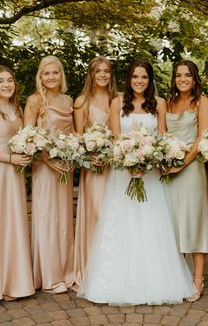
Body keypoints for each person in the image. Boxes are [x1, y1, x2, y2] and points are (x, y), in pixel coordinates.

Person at [77, 59, 195, 304]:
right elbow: (116, 137)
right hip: (123, 173)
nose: (139, 81)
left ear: (150, 80)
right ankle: (116, 281)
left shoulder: (159, 103)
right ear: (129, 80)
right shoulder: (117, 102)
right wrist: (128, 161)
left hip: (150, 175)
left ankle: (156, 281)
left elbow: (162, 134)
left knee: (153, 224)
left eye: (144, 77)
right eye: (135, 77)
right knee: (123, 223)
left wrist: (153, 157)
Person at [163, 60, 208, 302]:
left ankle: (197, 280)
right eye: (178, 75)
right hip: (169, 172)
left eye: (187, 75)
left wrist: (182, 163)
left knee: (194, 221)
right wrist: (166, 161)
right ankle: (178, 277)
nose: (182, 79)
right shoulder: (169, 103)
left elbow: (202, 136)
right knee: (173, 223)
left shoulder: (202, 102)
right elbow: (162, 136)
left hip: (192, 170)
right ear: (174, 79)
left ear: (194, 79)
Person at [24, 55, 75, 293]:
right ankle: (48, 276)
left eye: (55, 73)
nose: (51, 77)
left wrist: (71, 156)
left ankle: (66, 272)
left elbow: (73, 133)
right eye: (47, 73)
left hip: (64, 167)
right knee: (47, 217)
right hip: (45, 168)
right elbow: (28, 139)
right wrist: (47, 159)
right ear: (40, 76)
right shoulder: (35, 101)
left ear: (61, 75)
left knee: (64, 219)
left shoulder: (68, 100)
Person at [73, 56, 118, 288]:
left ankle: (113, 271)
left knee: (114, 217)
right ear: (91, 74)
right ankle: (93, 272)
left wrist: (110, 154)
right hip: (93, 169)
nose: (102, 75)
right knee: (97, 215)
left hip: (114, 168)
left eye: (106, 71)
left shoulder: (117, 99)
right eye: (98, 71)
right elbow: (78, 137)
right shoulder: (82, 101)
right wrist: (90, 156)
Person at [0, 65, 35, 301]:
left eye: (9, 80)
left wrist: (28, 151)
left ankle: (14, 282)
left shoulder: (17, 108)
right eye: (0, 81)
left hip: (15, 174)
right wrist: (11, 158)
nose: (6, 85)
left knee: (14, 223)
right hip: (2, 169)